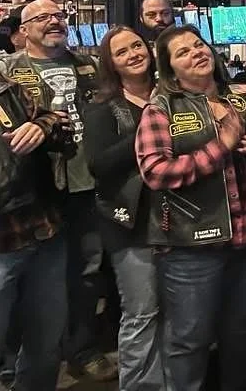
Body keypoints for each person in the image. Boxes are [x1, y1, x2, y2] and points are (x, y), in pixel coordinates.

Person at [135, 25, 246, 391]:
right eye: (183, 52)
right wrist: (219, 146)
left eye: (199, 44)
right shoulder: (160, 108)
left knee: (239, 335)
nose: (196, 52)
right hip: (191, 247)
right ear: (170, 70)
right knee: (189, 340)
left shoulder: (240, 99)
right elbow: (156, 172)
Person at [0, 0, 118, 382]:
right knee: (24, 283)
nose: (53, 22)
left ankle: (81, 348)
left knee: (86, 271)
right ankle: (15, 358)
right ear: (24, 27)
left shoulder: (90, 65)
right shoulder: (8, 71)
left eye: (58, 16)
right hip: (36, 190)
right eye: (43, 18)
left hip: (87, 182)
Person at [85, 26, 166, 391]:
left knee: (175, 313)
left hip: (176, 220)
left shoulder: (172, 95)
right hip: (129, 223)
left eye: (137, 45)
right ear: (111, 64)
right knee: (142, 313)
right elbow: (99, 166)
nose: (134, 53)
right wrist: (148, 127)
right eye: (122, 52)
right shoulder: (104, 107)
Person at [0, 65, 67, 390]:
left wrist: (41, 126)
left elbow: (57, 122)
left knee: (46, 342)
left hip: (42, 230)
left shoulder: (8, 89)